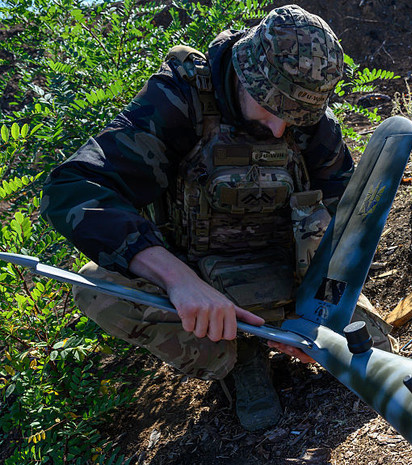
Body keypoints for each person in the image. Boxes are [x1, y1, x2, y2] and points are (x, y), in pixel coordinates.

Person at [40, 5, 392, 432]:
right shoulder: (179, 101)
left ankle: (284, 330)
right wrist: (177, 279)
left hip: (291, 274)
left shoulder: (309, 115)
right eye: (268, 106)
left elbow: (345, 218)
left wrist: (320, 309)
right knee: (98, 290)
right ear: (244, 73)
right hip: (199, 286)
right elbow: (72, 188)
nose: (281, 128)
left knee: (372, 349)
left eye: (294, 115)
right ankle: (235, 354)